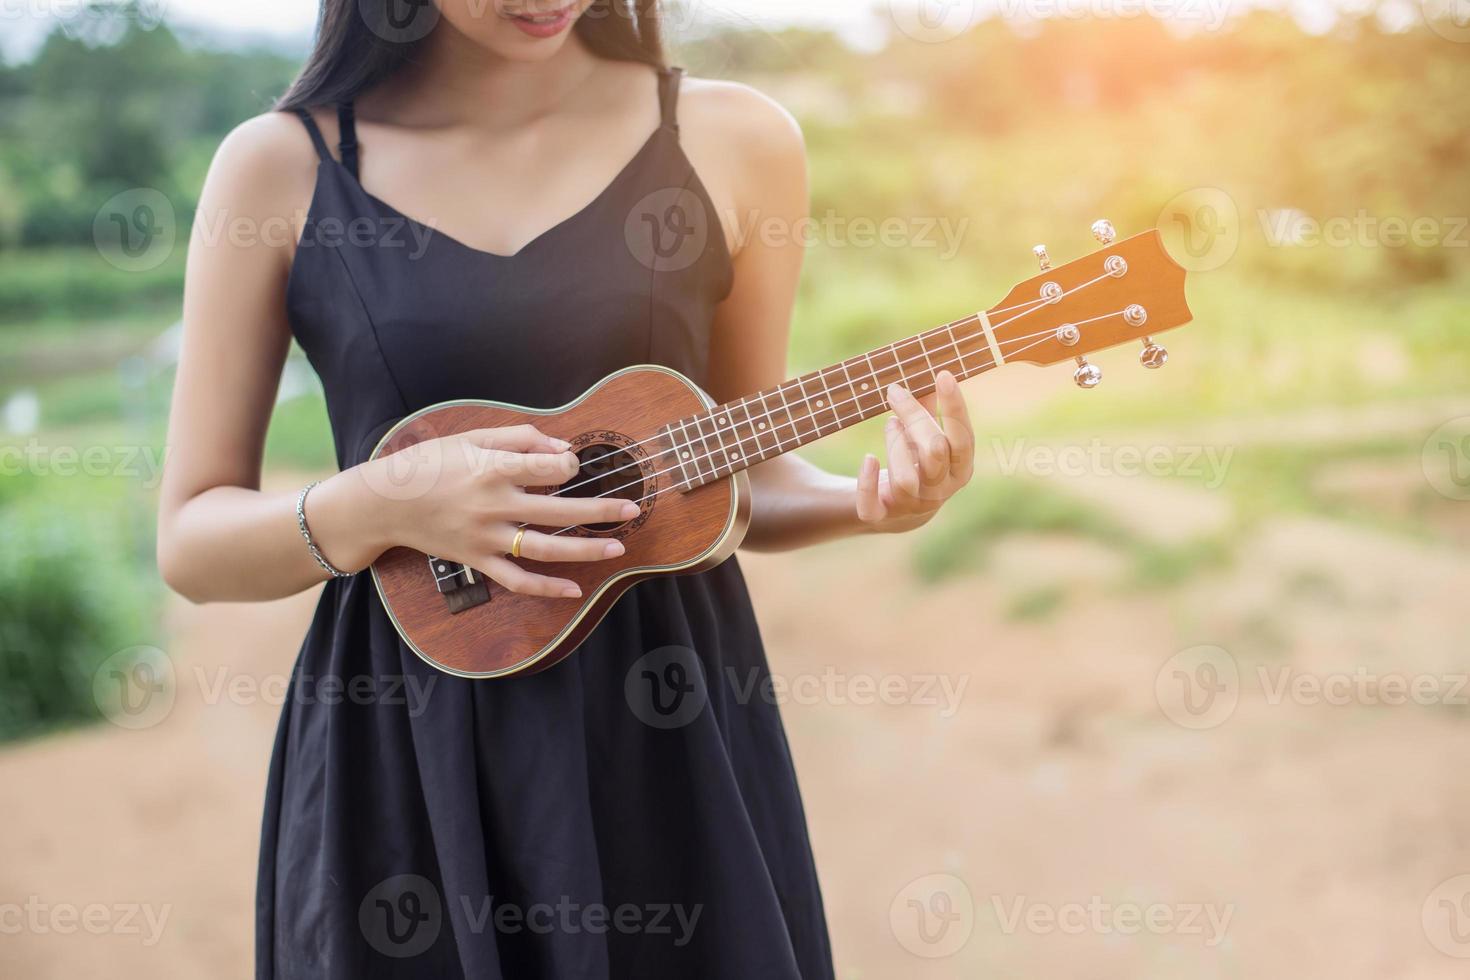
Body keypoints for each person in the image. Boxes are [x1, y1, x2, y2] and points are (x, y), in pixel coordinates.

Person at [156, 2, 976, 976]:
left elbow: (746, 468)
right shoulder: (281, 167)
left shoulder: (734, 141)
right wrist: (383, 500)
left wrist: (873, 499)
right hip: (408, 736)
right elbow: (192, 540)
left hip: (665, 732)